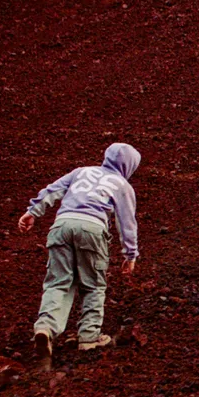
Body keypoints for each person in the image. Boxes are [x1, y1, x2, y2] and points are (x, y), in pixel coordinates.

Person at [18, 143, 142, 358]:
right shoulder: (122, 184)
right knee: (93, 284)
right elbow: (127, 222)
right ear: (129, 165)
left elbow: (54, 189)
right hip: (92, 229)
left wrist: (33, 212)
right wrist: (130, 254)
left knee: (58, 281)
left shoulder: (81, 171)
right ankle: (89, 336)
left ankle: (45, 328)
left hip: (61, 226)